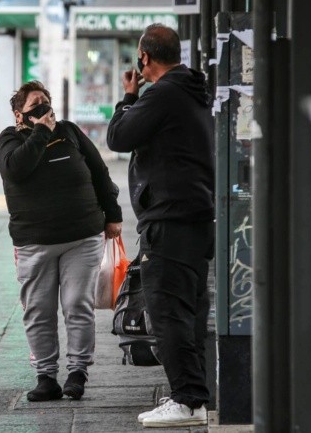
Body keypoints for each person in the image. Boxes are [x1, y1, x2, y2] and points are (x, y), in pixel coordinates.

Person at [107, 24, 215, 428]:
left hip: (169, 221)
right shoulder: (192, 91)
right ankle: (194, 397)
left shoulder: (164, 94)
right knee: (189, 312)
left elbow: (118, 136)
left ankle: (186, 400)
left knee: (168, 313)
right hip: (194, 218)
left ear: (145, 59)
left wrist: (127, 98)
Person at [0, 80, 123, 402]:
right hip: (34, 242)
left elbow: (99, 172)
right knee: (38, 310)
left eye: (47, 103)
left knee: (77, 304)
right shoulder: (10, 140)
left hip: (83, 236)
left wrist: (113, 214)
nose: (44, 109)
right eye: (35, 105)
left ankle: (78, 372)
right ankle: (46, 376)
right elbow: (16, 170)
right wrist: (40, 132)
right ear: (18, 114)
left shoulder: (69, 132)